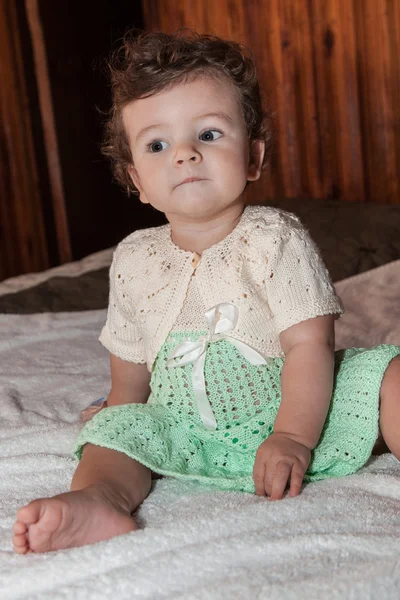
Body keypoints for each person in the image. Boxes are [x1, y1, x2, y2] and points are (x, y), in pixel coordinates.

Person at [12, 29, 400, 554]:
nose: (186, 154)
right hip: (184, 419)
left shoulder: (275, 237)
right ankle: (100, 500)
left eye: (210, 135)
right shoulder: (131, 259)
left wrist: (291, 436)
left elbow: (309, 345)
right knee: (113, 436)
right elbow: (129, 362)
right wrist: (122, 409)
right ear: (137, 181)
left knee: (391, 377)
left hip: (301, 402)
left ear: (254, 158)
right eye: (157, 144)